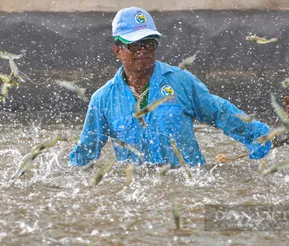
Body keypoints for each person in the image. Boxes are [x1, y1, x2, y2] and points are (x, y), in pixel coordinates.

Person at [69, 6, 274, 167]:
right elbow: (85, 153)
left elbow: (221, 113)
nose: (143, 50)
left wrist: (268, 136)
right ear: (118, 51)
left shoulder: (181, 81)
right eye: (134, 44)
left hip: (188, 183)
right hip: (138, 195)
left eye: (149, 42)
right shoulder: (103, 99)